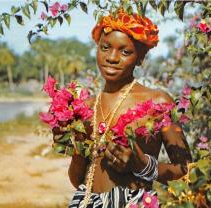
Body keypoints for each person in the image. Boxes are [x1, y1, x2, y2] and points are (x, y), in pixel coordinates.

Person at [54, 9, 192, 208]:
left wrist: (143, 166)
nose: (112, 57)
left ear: (140, 58)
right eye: (105, 47)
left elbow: (186, 170)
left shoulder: (158, 103)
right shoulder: (86, 107)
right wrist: (78, 147)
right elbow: (79, 181)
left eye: (125, 51)